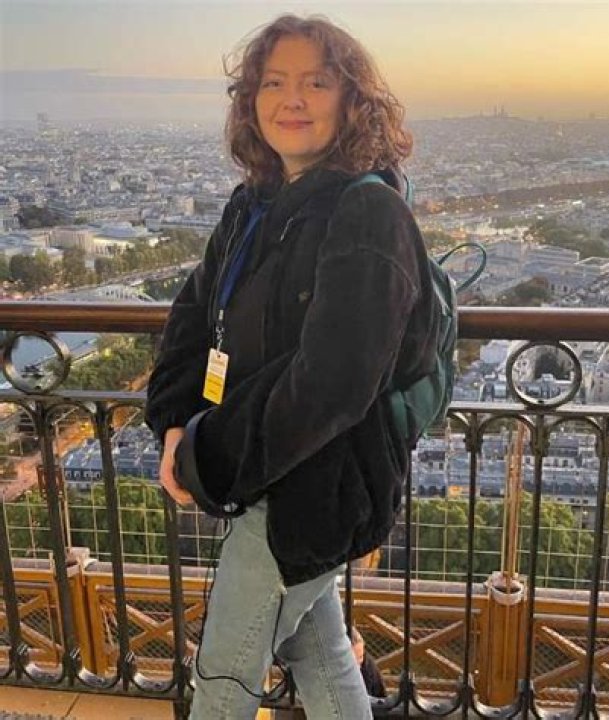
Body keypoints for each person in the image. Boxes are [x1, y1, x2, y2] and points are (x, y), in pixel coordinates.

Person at [145, 13, 438, 720]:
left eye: (316, 82)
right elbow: (194, 317)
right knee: (323, 658)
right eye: (273, 83)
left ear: (352, 100)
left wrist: (206, 455)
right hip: (262, 476)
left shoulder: (369, 214)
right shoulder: (253, 206)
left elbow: (332, 385)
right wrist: (176, 423)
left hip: (314, 489)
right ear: (250, 101)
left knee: (223, 682)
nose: (292, 99)